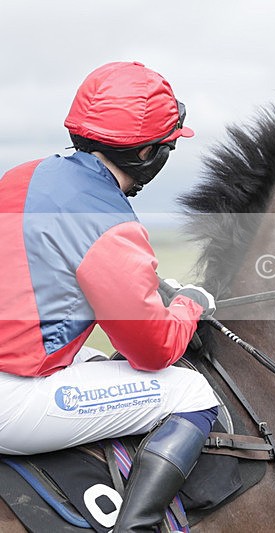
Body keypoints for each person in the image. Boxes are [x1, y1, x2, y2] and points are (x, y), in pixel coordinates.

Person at [0, 61, 220, 532]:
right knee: (192, 391)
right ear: (148, 153)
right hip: (11, 400)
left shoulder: (20, 176)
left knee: (100, 361)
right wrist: (190, 304)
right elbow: (152, 349)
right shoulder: (110, 219)